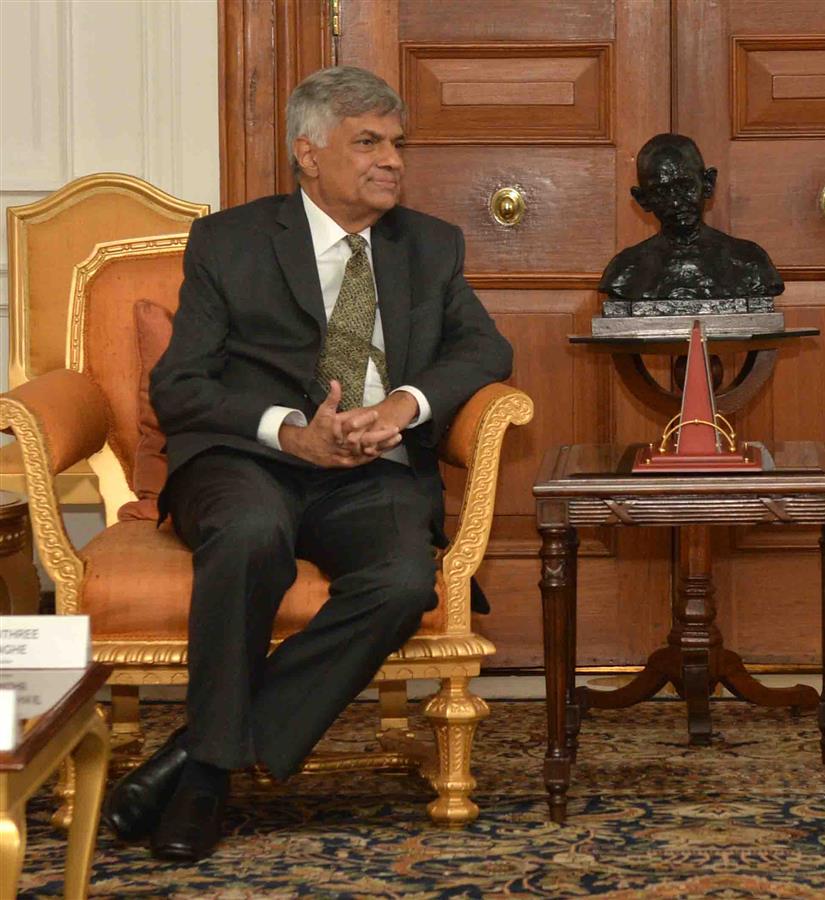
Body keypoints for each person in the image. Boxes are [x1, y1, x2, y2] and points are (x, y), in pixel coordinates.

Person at [102, 65, 513, 862]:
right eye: (368, 143)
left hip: (371, 470)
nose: (391, 160)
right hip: (248, 460)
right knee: (249, 533)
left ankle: (199, 757)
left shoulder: (428, 245)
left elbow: (486, 349)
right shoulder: (231, 241)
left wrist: (402, 407)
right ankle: (206, 781)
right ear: (308, 153)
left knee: (403, 582)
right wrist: (288, 432)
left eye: (396, 144)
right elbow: (180, 385)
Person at [598, 133, 783, 302]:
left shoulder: (750, 262)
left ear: (708, 184)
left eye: (685, 186)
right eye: (661, 191)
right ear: (643, 199)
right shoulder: (625, 270)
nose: (675, 202)